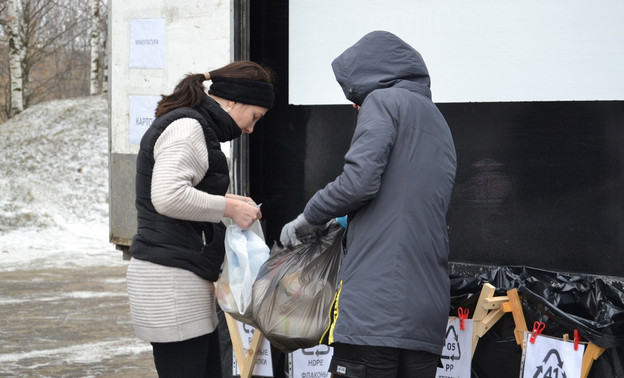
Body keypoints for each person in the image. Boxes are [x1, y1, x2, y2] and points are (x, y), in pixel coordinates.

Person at [280, 31, 457, 378]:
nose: (354, 104)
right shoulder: (439, 123)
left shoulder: (384, 102)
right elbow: (404, 202)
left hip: (375, 310)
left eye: (355, 94)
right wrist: (347, 223)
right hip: (426, 315)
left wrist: (309, 217)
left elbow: (358, 182)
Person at [126, 61, 276, 377]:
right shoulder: (188, 128)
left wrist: (228, 202)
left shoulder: (194, 126)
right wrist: (228, 208)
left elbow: (180, 192)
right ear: (234, 100)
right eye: (254, 118)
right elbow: (167, 196)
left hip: (180, 278)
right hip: (171, 284)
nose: (250, 129)